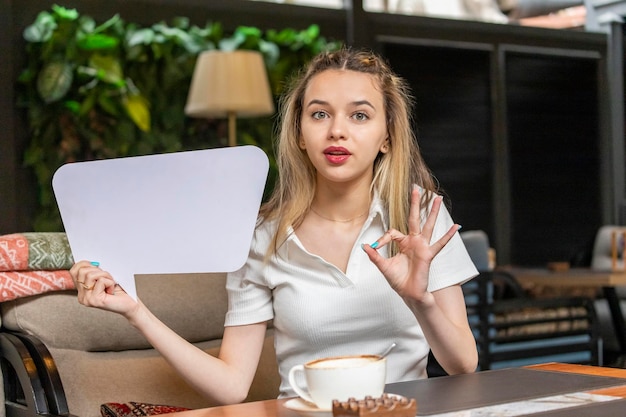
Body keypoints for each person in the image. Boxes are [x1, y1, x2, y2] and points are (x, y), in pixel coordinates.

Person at [70, 47, 479, 405]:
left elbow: (463, 364)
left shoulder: (418, 215)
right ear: (300, 133)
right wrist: (136, 312)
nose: (337, 130)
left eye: (359, 115)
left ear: (386, 136)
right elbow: (231, 386)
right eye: (319, 114)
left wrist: (419, 299)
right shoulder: (261, 236)